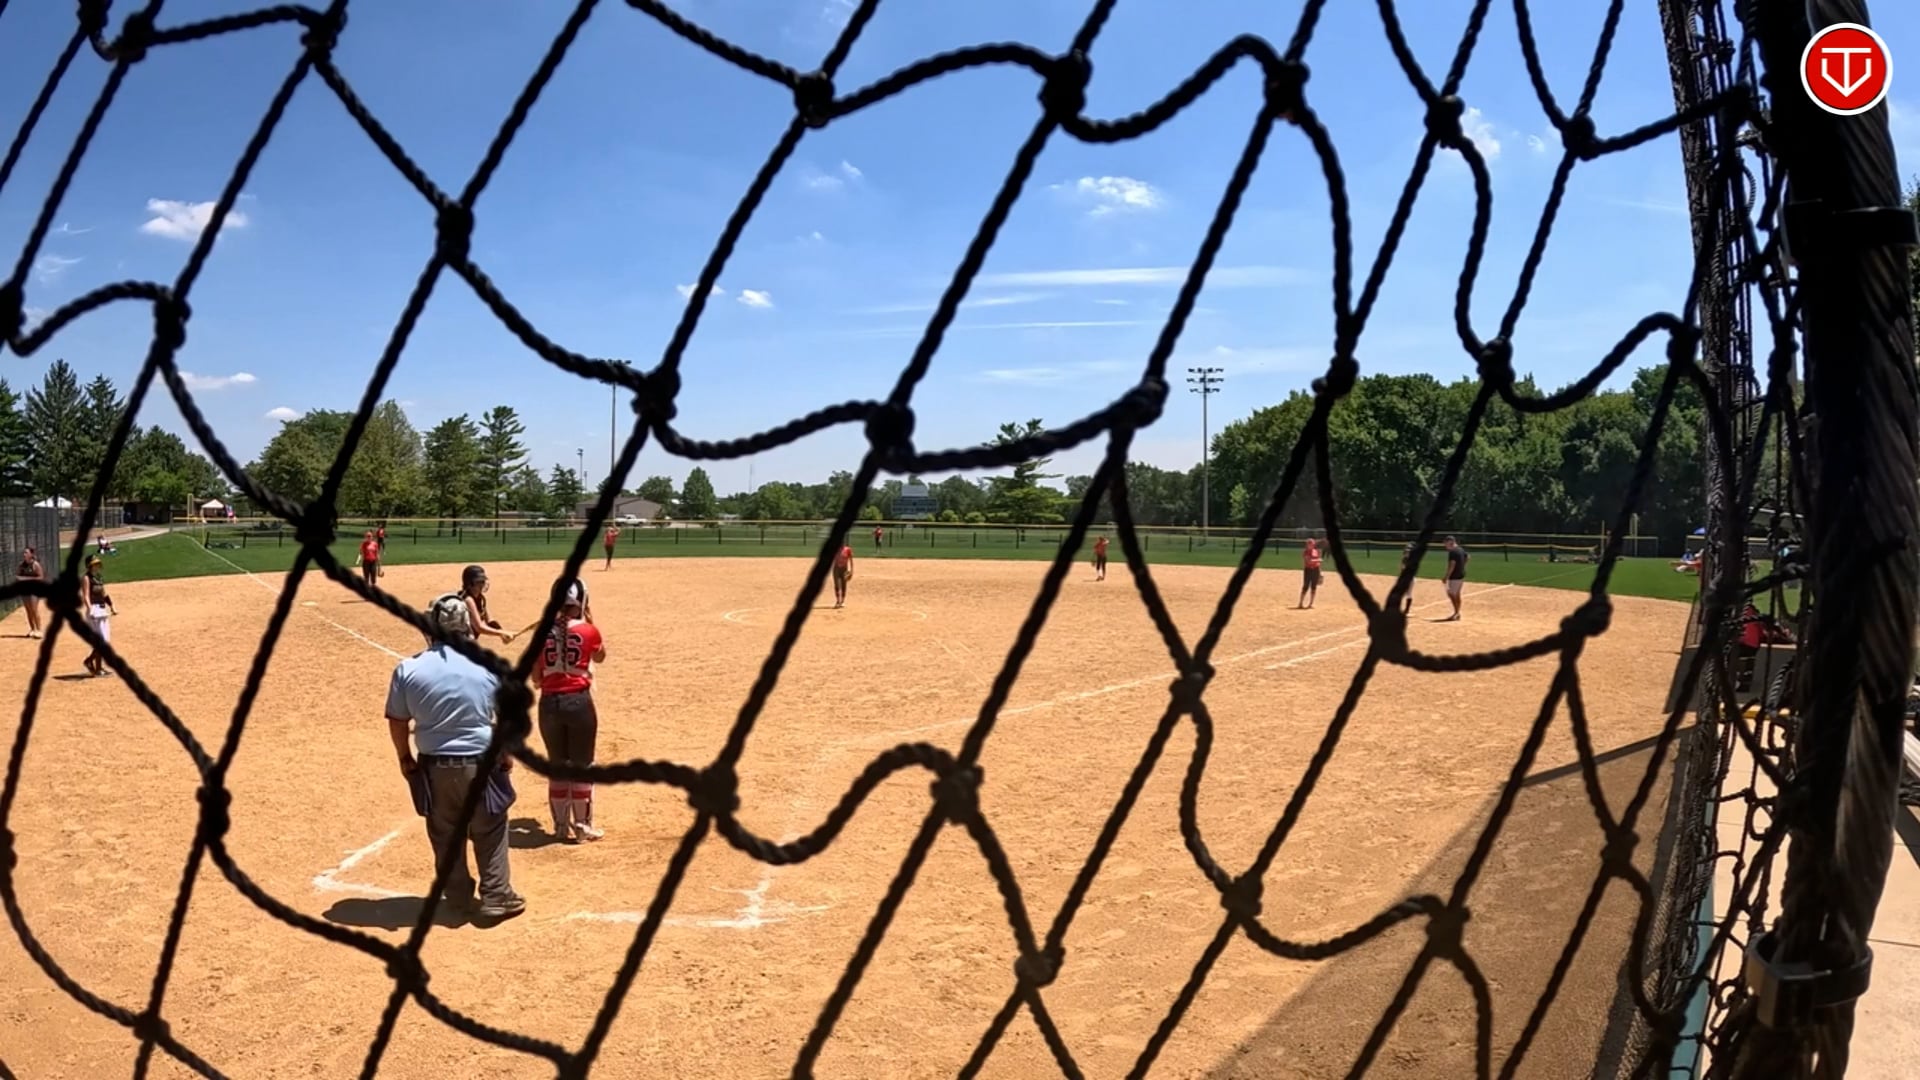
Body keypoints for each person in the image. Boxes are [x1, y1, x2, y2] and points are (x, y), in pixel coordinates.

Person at [385, 594, 524, 923]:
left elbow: (398, 720)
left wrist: (405, 758)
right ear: (467, 627)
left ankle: (458, 897)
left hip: (434, 765)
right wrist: (506, 755)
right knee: (490, 828)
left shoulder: (408, 668)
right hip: (481, 761)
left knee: (445, 832)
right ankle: (496, 896)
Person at [534, 579, 607, 842]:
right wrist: (591, 621)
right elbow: (600, 656)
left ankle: (560, 825)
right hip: (578, 704)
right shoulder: (589, 630)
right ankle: (582, 826)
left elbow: (536, 678)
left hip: (549, 705)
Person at [459, 565, 516, 646]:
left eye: (483, 581)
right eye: (479, 582)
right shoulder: (467, 600)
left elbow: (489, 621)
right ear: (470, 583)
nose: (482, 584)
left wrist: (502, 632)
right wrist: (500, 633)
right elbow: (479, 627)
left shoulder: (480, 599)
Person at [81, 554, 115, 677]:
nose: (96, 566)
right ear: (89, 565)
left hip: (102, 609)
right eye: (94, 564)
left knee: (104, 641)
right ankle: (93, 664)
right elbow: (85, 596)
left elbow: (104, 594)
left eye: (97, 563)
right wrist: (90, 609)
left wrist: (111, 606)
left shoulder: (99, 577)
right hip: (94, 610)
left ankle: (95, 665)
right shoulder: (86, 578)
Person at [17, 547, 44, 639]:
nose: (24, 554)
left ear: (31, 554)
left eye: (26, 552)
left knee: (34, 610)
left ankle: (39, 630)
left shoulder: (35, 565)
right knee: (28, 610)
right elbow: (18, 576)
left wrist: (26, 579)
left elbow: (41, 577)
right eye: (24, 552)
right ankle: (32, 629)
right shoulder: (21, 565)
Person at [1441, 536, 1468, 621]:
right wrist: (1462, 566)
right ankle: (1457, 613)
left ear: (1450, 542)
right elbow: (1468, 557)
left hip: (1455, 577)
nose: (1445, 546)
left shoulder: (1452, 552)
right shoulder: (1461, 549)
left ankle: (1457, 613)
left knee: (1451, 594)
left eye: (1446, 544)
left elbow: (1452, 565)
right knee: (1456, 594)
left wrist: (1446, 577)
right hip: (1461, 575)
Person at [1299, 534, 1323, 609]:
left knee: (1314, 587)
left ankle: (1311, 604)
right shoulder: (1305, 552)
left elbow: (1318, 563)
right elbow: (1308, 561)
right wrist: (1318, 560)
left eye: (1312, 544)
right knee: (1305, 586)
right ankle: (1300, 603)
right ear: (1307, 545)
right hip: (1308, 570)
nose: (1311, 545)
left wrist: (1320, 572)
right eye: (1309, 544)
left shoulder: (1316, 551)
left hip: (1316, 570)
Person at [831, 541, 854, 609]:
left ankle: (842, 601)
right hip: (836, 569)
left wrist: (851, 570)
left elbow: (851, 560)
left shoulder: (848, 549)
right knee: (837, 585)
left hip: (844, 569)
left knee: (844, 585)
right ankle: (838, 601)